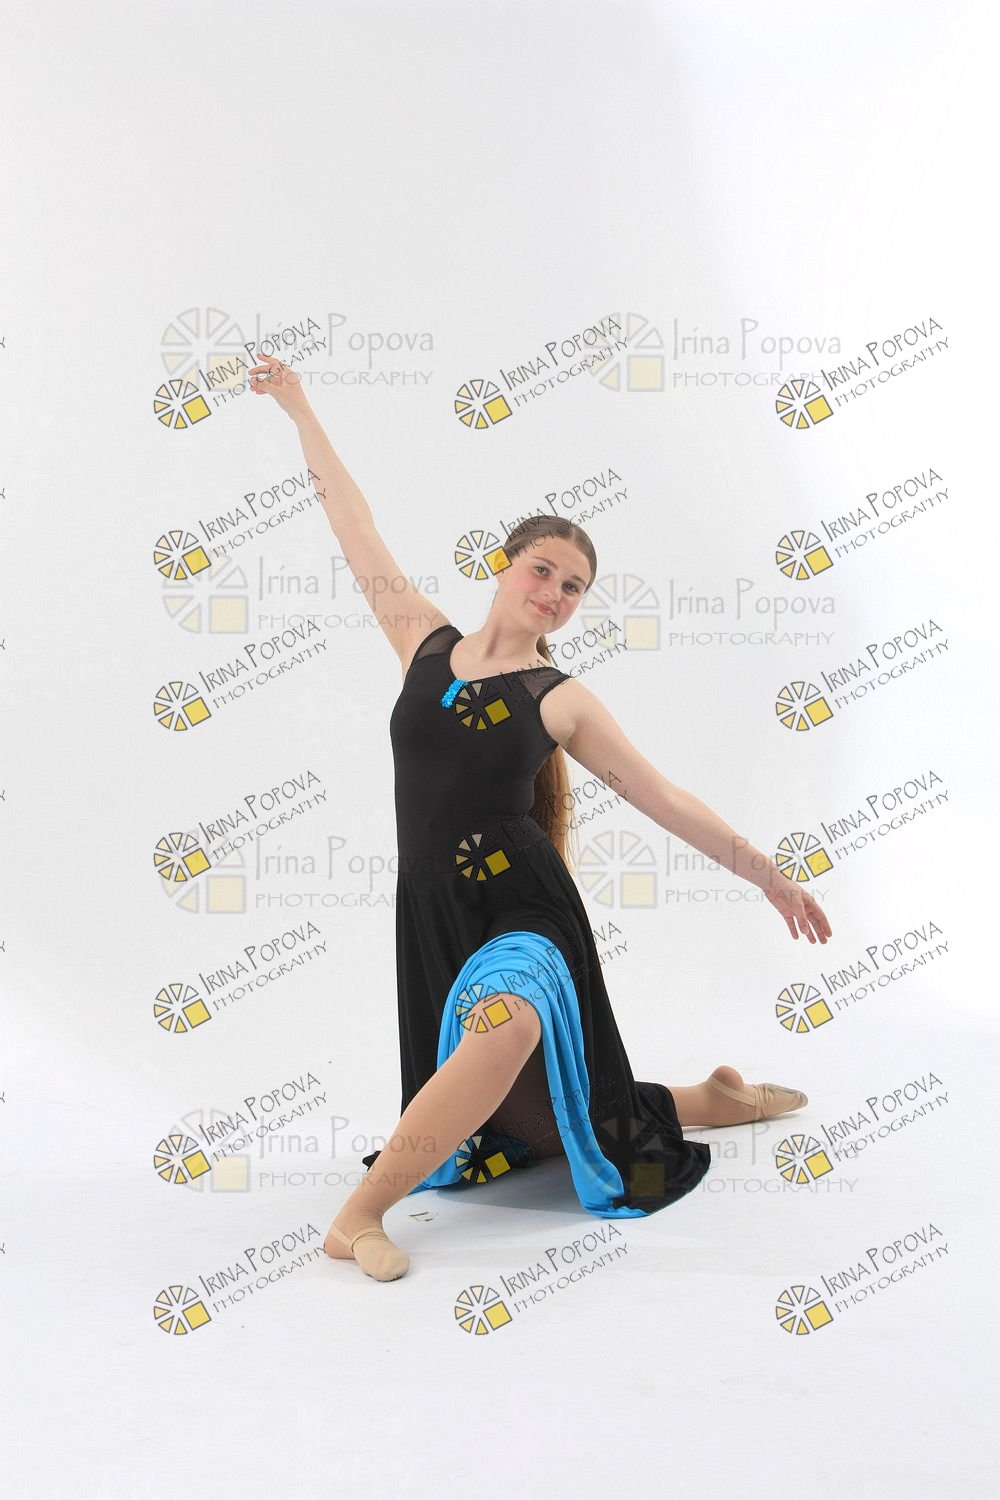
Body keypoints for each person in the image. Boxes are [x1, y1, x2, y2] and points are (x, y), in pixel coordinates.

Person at [249, 352, 832, 1283]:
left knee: (513, 1025)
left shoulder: (558, 698)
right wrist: (298, 408)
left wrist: (768, 874)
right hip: (434, 910)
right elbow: (353, 523)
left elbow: (664, 798)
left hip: (523, 908)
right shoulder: (423, 644)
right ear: (505, 566)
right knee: (535, 1119)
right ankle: (710, 1098)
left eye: (573, 587)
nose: (554, 592)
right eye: (543, 569)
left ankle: (356, 1220)